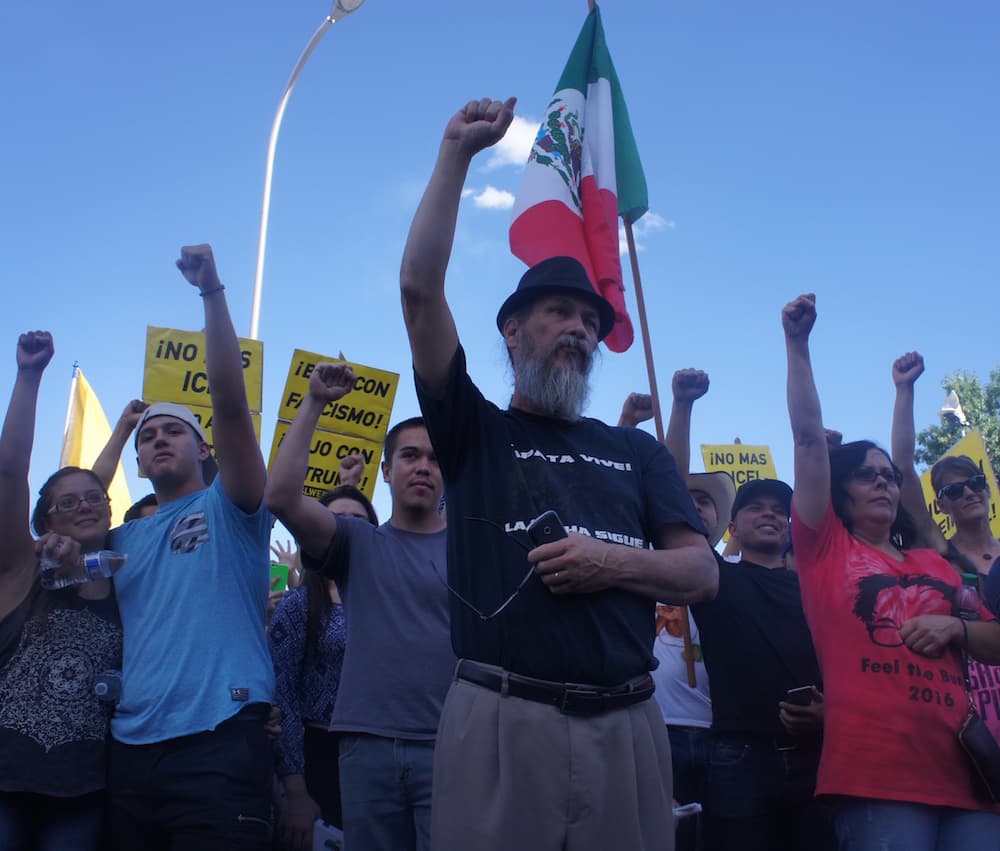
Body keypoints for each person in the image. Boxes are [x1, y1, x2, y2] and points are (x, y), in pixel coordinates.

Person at [399, 95, 717, 851]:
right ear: (512, 331)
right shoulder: (474, 430)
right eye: (559, 314)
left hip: (627, 723)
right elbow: (418, 291)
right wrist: (456, 155)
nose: (579, 329)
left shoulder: (636, 452)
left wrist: (610, 561)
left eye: (590, 321)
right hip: (501, 720)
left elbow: (701, 572)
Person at [784, 293, 1000, 848]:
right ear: (841, 490)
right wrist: (798, 344)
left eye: (889, 477)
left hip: (967, 771)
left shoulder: (935, 561)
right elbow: (807, 439)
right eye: (867, 475)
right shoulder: (824, 548)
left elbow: (996, 642)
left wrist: (956, 628)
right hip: (877, 774)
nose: (883, 482)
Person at [108, 245, 275, 850]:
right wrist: (120, 432)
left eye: (173, 431)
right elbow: (70, 508)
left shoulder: (231, 508)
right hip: (129, 750)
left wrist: (211, 292)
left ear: (205, 449)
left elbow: (229, 405)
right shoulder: (119, 540)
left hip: (220, 740)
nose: (158, 440)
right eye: (148, 436)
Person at [265, 362, 453, 851]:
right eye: (409, 455)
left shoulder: (471, 549)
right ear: (386, 471)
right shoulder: (356, 541)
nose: (423, 466)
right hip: (367, 748)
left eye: (435, 458)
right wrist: (314, 402)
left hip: (450, 744)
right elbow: (280, 496)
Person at [0, 331, 124, 849]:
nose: (84, 507)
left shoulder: (125, 576)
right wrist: (29, 375)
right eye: (67, 504)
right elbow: (9, 473)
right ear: (45, 520)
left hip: (84, 790)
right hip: (5, 784)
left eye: (94, 499)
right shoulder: (21, 566)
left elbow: (91, 490)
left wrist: (124, 429)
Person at [692, 479, 833, 851]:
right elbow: (676, 512)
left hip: (816, 758)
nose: (769, 513)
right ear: (732, 528)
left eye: (778, 509)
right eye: (755, 507)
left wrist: (830, 712)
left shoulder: (815, 588)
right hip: (738, 760)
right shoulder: (713, 576)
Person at [619, 371, 726, 851]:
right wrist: (681, 407)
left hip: (722, 737)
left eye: (705, 503)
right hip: (654, 727)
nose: (694, 507)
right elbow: (669, 487)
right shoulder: (648, 558)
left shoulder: (733, 572)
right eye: (689, 501)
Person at [891, 350, 1000, 743]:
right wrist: (905, 392)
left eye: (975, 484)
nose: (968, 493)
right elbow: (903, 468)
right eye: (954, 491)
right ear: (941, 505)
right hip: (976, 702)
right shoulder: (941, 553)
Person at [269, 474, 378, 851]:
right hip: (319, 759)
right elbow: (281, 694)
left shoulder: (396, 598)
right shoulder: (299, 605)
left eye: (357, 520)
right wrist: (295, 790)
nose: (346, 528)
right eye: (336, 519)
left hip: (387, 759)